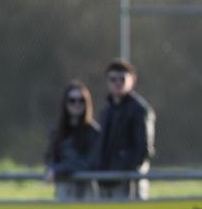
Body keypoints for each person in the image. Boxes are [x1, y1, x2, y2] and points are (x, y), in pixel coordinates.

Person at [94, 59, 156, 200]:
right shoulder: (106, 111)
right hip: (105, 181)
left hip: (128, 181)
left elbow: (144, 150)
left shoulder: (140, 110)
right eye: (113, 79)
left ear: (132, 81)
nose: (117, 83)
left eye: (122, 79)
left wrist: (120, 171)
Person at [44, 81, 100, 200]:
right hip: (63, 190)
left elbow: (89, 162)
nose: (77, 104)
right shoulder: (57, 131)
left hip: (86, 192)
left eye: (81, 100)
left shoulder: (93, 131)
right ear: (65, 103)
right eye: (72, 100)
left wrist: (58, 170)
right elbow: (50, 157)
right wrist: (51, 168)